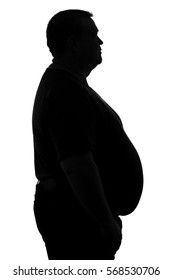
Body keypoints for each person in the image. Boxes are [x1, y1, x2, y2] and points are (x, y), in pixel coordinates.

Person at [32, 9, 143, 260]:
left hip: (77, 216)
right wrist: (105, 221)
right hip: (76, 219)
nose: (100, 42)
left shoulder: (67, 85)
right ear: (73, 43)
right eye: (94, 35)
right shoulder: (65, 91)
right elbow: (77, 164)